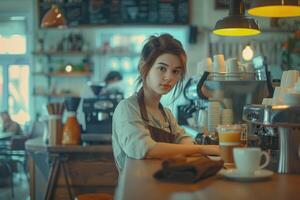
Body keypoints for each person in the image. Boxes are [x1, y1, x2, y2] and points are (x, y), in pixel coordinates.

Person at [112, 34, 220, 171]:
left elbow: (185, 140)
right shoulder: (127, 108)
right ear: (143, 67)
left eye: (175, 71)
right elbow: (145, 149)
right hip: (137, 188)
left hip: (164, 184)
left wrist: (191, 146)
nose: (169, 77)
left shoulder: (166, 115)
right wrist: (202, 149)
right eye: (162, 68)